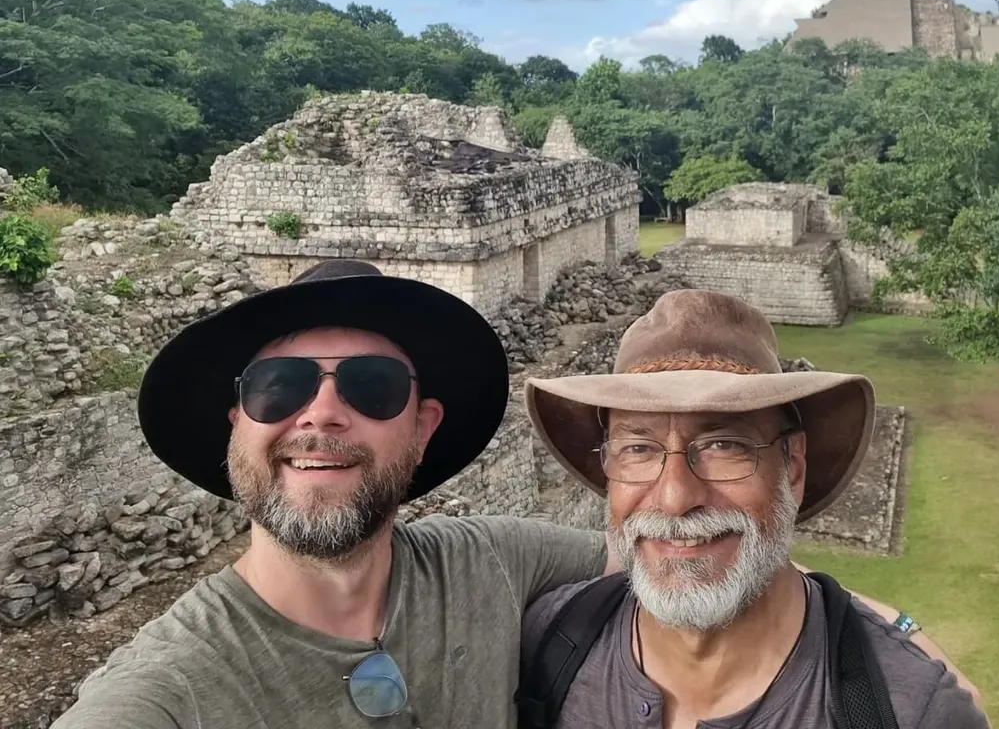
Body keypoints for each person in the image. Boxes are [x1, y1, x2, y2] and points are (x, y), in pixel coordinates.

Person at [52, 260, 612, 729]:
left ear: (422, 429)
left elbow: (658, 559)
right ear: (236, 426)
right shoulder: (168, 691)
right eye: (278, 388)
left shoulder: (491, 560)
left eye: (373, 386)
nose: (321, 413)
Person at [517, 288, 990, 729]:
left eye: (725, 445)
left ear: (793, 468)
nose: (675, 498)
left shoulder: (911, 711)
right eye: (638, 449)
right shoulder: (547, 645)